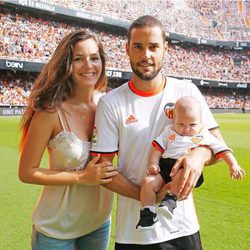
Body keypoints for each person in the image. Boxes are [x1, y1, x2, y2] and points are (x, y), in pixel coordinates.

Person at [18, 30, 118, 250]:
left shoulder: (109, 105)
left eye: (94, 57)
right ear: (66, 64)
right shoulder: (50, 111)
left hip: (98, 223)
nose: (88, 65)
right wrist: (82, 177)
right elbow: (26, 172)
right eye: (78, 59)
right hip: (56, 230)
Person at [136, 96, 246, 230]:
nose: (186, 129)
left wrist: (233, 164)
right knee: (147, 182)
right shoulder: (169, 131)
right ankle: (147, 214)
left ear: (201, 122)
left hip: (187, 168)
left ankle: (171, 200)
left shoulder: (203, 135)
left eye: (192, 125)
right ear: (174, 120)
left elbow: (222, 149)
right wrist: (153, 164)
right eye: (180, 124)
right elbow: (157, 149)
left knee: (181, 175)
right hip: (165, 166)